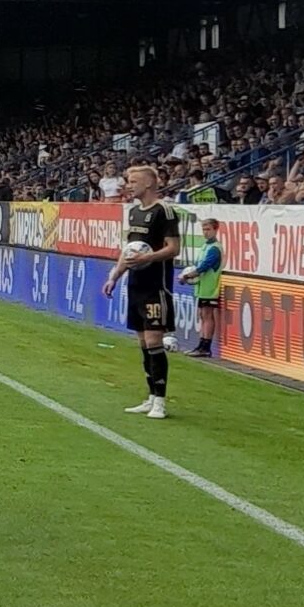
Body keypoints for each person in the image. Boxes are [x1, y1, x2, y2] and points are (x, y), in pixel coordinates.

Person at [103, 164, 179, 419]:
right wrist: (114, 276)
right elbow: (129, 252)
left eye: (133, 181)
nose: (129, 185)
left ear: (148, 183)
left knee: (155, 340)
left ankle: (160, 401)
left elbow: (173, 248)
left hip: (156, 286)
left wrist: (149, 256)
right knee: (143, 343)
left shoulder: (164, 211)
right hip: (135, 285)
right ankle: (150, 396)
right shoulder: (134, 212)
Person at [178, 217, 223, 357]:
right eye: (203, 229)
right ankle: (201, 345)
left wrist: (186, 276)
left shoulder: (215, 248)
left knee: (207, 316)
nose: (205, 232)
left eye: (208, 229)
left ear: (215, 230)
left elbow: (204, 267)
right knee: (203, 316)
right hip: (203, 287)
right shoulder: (206, 246)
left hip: (210, 288)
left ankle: (205, 346)